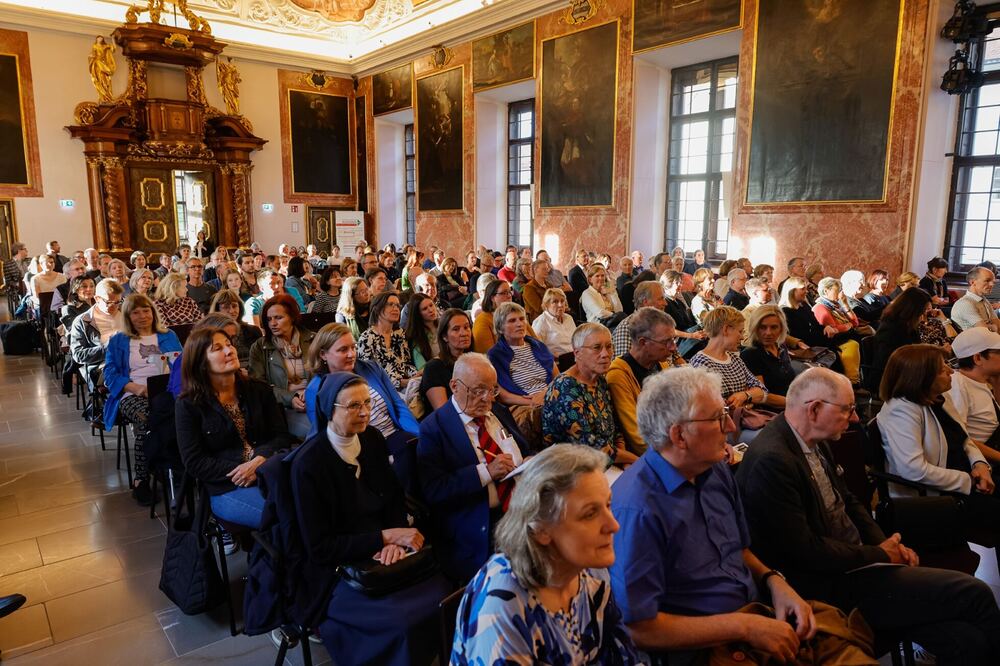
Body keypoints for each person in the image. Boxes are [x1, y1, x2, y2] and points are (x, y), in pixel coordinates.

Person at [738, 367, 1000, 665]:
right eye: (847, 409)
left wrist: (886, 546)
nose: (854, 418)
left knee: (966, 640)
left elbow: (848, 501)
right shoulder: (773, 460)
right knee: (974, 592)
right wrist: (880, 554)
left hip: (854, 564)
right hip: (827, 584)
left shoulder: (812, 437)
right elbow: (805, 551)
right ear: (814, 409)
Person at [610, 367, 822, 664]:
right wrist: (745, 627)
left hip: (752, 615)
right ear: (679, 435)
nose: (731, 426)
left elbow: (739, 551)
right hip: (701, 651)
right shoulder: (637, 509)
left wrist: (775, 582)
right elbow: (639, 629)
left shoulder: (714, 470)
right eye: (718, 417)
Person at [291, 372, 451, 666]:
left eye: (367, 402)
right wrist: (384, 538)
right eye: (354, 405)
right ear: (329, 409)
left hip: (385, 548)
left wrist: (395, 540)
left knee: (442, 596)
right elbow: (320, 547)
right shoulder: (309, 464)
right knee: (400, 623)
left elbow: (393, 497)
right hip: (337, 567)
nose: (365, 412)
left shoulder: (373, 438)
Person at [451, 444, 641, 664]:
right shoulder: (503, 603)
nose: (613, 525)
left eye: (608, 505)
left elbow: (624, 658)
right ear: (541, 530)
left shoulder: (590, 575)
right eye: (590, 514)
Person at [416, 353, 532, 583]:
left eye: (492, 389)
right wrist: (486, 472)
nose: (487, 398)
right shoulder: (434, 428)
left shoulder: (497, 412)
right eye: (478, 390)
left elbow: (524, 448)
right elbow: (434, 490)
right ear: (454, 386)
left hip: (523, 507)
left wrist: (530, 461)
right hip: (481, 522)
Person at [176, 327, 289, 528]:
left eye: (229, 345)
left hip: (269, 470)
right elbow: (194, 461)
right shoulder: (189, 404)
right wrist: (242, 471)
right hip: (227, 485)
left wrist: (259, 461)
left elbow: (281, 436)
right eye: (218, 348)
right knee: (284, 517)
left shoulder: (259, 390)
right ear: (201, 362)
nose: (230, 351)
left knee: (309, 506)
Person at [303, 323, 420, 488]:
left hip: (392, 434)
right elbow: (324, 432)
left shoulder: (371, 369)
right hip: (359, 445)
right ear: (323, 354)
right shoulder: (316, 389)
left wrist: (418, 435)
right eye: (343, 350)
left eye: (353, 347)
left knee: (420, 450)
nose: (352, 354)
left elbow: (397, 405)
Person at [877, 344, 996, 497]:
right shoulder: (901, 411)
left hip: (961, 480)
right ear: (921, 378)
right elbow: (913, 470)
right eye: (941, 369)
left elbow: (964, 439)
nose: (951, 371)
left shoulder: (938, 396)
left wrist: (980, 464)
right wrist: (968, 480)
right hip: (935, 496)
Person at [102, 293, 183, 504]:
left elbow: (182, 365)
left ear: (153, 312)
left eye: (146, 310)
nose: (142, 316)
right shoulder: (119, 340)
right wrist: (137, 388)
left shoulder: (168, 335)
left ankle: (171, 467)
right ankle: (142, 479)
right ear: (128, 317)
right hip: (132, 393)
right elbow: (110, 374)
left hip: (167, 391)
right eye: (135, 312)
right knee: (148, 421)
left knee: (182, 416)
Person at [542, 322, 635, 465]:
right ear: (577, 353)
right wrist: (636, 460)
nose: (605, 354)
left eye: (609, 346)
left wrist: (625, 464)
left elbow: (616, 430)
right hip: (574, 468)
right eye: (596, 348)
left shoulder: (600, 380)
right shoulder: (564, 388)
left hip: (608, 463)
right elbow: (592, 448)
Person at [608, 308, 682, 456]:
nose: (673, 348)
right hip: (655, 454)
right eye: (666, 342)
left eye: (673, 340)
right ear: (643, 342)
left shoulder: (661, 364)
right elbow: (638, 437)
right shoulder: (618, 376)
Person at [690, 307, 773, 431]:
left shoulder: (734, 358)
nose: (742, 337)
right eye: (740, 331)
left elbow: (762, 391)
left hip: (748, 420)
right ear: (726, 329)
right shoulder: (700, 364)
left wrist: (744, 395)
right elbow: (721, 409)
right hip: (727, 428)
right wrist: (750, 398)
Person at [248, 294, 315, 439]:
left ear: (292, 317)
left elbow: (325, 374)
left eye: (278, 318)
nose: (273, 323)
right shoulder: (259, 347)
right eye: (269, 319)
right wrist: (290, 398)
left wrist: (311, 392)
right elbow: (259, 386)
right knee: (313, 431)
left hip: (315, 400)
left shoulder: (313, 340)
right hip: (281, 408)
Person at [488, 301, 555, 442]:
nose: (519, 324)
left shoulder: (538, 346)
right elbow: (502, 396)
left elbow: (557, 377)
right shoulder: (495, 355)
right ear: (500, 328)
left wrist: (545, 394)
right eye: (512, 321)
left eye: (522, 319)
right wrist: (532, 401)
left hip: (548, 394)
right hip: (521, 404)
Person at [781, 276, 861, 385]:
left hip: (818, 338)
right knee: (848, 338)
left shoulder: (804, 306)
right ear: (792, 291)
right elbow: (797, 334)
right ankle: (847, 384)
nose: (806, 292)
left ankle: (848, 383)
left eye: (806, 288)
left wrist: (825, 327)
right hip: (806, 344)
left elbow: (815, 324)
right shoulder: (785, 311)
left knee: (851, 336)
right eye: (803, 289)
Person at [950, 328, 1000, 465]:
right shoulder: (957, 384)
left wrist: (997, 383)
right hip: (983, 459)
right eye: (998, 352)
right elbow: (961, 438)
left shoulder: (983, 379)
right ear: (977, 358)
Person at [870, 287, 932, 389]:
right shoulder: (891, 328)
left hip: (903, 371)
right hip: (889, 377)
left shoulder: (908, 325)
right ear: (913, 310)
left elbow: (917, 348)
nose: (924, 315)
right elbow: (896, 359)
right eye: (923, 310)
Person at [69, 278, 124, 390]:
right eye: (109, 302)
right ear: (97, 298)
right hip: (103, 365)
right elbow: (78, 355)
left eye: (118, 302)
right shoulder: (83, 321)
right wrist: (108, 347)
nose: (114, 306)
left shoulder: (127, 313)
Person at [357, 291, 418, 390]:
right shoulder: (366, 339)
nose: (396, 309)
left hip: (406, 385)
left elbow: (406, 364)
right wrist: (401, 383)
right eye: (390, 304)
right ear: (377, 309)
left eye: (397, 305)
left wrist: (416, 375)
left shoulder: (399, 333)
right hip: (382, 390)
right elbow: (369, 375)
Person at [418, 309, 473, 413]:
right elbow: (444, 412)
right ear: (444, 337)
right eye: (456, 329)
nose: (464, 333)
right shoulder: (434, 368)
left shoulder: (473, 361)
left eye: (466, 327)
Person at [740, 305, 797, 401]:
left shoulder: (780, 346)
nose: (768, 333)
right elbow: (761, 396)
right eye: (762, 327)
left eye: (774, 327)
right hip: (778, 408)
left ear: (781, 328)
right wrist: (794, 403)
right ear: (754, 328)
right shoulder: (750, 354)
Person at [208, 289, 262, 368]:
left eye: (234, 306)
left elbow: (262, 358)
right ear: (217, 310)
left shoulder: (254, 331)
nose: (231, 311)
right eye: (226, 307)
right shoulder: (212, 335)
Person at [531, 287, 576, 360]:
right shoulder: (541, 322)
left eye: (562, 301)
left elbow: (576, 339)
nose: (560, 305)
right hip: (556, 361)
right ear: (546, 305)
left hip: (575, 356)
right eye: (555, 302)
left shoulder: (569, 318)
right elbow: (537, 348)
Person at [952, 266, 998, 333]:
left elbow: (997, 323)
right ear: (972, 282)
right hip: (974, 339)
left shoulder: (984, 300)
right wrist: (993, 327)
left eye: (993, 282)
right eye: (987, 280)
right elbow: (984, 331)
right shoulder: (965, 303)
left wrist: (992, 327)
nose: (992, 284)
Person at [473, 279, 514, 353]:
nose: (509, 296)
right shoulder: (482, 321)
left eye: (509, 292)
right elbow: (488, 354)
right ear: (492, 298)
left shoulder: (516, 315)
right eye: (504, 293)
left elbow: (533, 340)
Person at [580, 263, 625, 327]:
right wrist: (615, 316)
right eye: (597, 276)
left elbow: (619, 309)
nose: (600, 278)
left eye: (602, 276)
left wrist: (612, 292)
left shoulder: (607, 291)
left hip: (613, 322)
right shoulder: (587, 293)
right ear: (590, 279)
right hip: (597, 326)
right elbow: (600, 313)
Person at [404, 292, 439, 370]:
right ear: (417, 314)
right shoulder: (416, 338)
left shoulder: (444, 325)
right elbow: (422, 367)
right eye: (425, 309)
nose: (431, 310)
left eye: (431, 305)